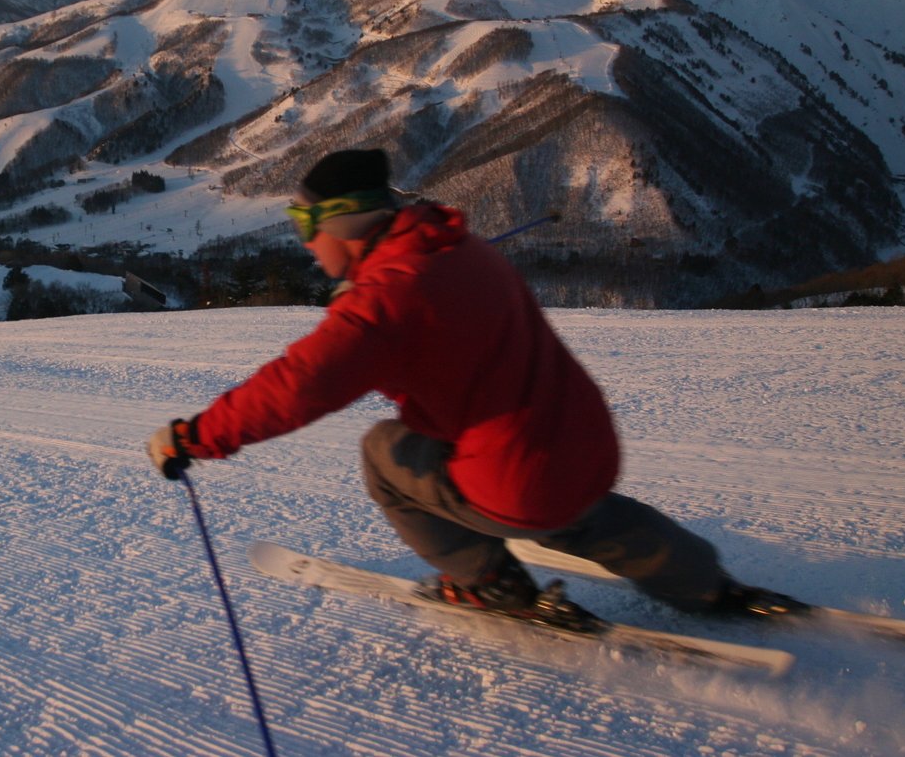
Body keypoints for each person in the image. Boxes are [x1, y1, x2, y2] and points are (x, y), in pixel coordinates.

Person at [147, 148, 801, 625]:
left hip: (519, 479)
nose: (306, 241)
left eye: (304, 223)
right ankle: (706, 584)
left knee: (384, 453)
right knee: (583, 513)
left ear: (343, 224)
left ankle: (487, 581)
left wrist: (193, 436)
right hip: (588, 446)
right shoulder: (456, 246)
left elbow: (298, 386)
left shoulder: (386, 301)